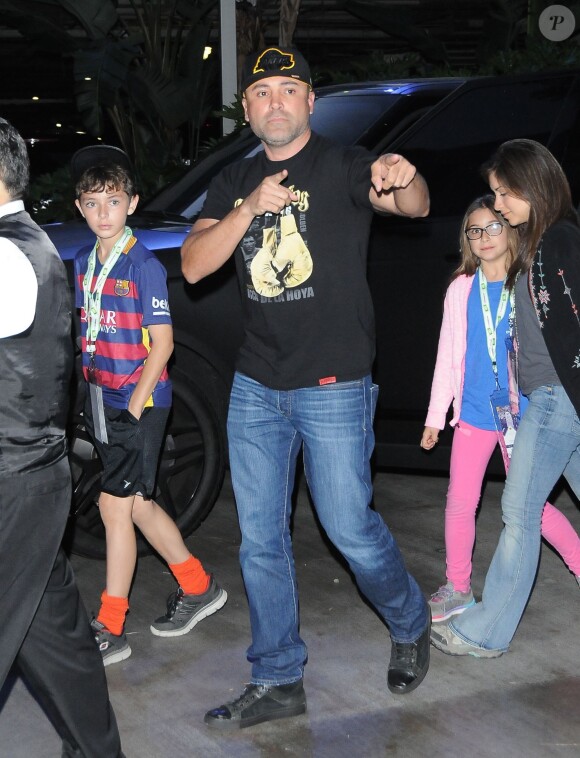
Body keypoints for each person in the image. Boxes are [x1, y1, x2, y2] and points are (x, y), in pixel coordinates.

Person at [180, 45, 431, 729]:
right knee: (260, 541)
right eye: (262, 93)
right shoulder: (234, 180)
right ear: (249, 110)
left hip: (334, 385)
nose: (275, 103)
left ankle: (411, 619)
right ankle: (278, 675)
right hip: (257, 384)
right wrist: (247, 209)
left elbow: (412, 204)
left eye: (288, 90)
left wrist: (401, 175)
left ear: (310, 103)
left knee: (350, 528)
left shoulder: (346, 163)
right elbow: (197, 265)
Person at [71, 145, 227, 666]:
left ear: (131, 203)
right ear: (80, 208)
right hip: (101, 396)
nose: (102, 213)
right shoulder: (84, 262)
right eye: (92, 204)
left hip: (138, 401)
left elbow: (163, 345)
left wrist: (134, 409)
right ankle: (199, 587)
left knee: (113, 507)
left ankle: (110, 625)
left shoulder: (143, 265)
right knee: (136, 503)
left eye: (112, 202)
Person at [0, 119, 123, 756]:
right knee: (58, 642)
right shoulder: (30, 246)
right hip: (33, 481)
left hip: (11, 482)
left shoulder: (4, 255)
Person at [431, 139, 580, 657]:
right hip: (552, 397)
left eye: (504, 194)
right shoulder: (534, 245)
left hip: (558, 396)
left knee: (519, 511)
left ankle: (483, 631)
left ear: (532, 185)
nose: (498, 206)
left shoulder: (561, 242)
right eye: (493, 195)